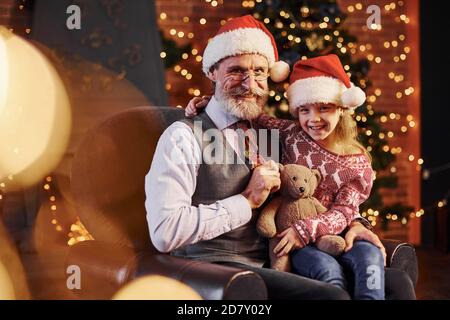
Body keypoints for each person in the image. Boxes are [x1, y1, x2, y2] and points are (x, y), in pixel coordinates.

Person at [146, 15, 385, 300]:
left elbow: (316, 187)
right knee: (331, 297)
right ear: (212, 72)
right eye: (236, 70)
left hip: (275, 260)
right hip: (215, 269)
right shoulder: (183, 136)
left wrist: (357, 223)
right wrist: (247, 200)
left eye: (259, 71)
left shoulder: (271, 132)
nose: (249, 83)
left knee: (393, 283)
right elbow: (165, 233)